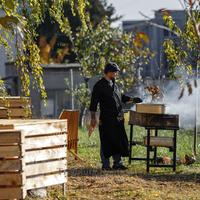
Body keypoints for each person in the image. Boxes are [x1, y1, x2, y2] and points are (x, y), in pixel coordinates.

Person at [89, 62, 142, 170]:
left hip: (117, 119)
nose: (116, 74)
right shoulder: (99, 85)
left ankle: (117, 163)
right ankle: (106, 164)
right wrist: (93, 118)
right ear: (108, 72)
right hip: (106, 119)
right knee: (106, 141)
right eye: (114, 72)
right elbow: (93, 104)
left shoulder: (114, 84)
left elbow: (120, 97)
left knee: (117, 140)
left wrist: (133, 99)